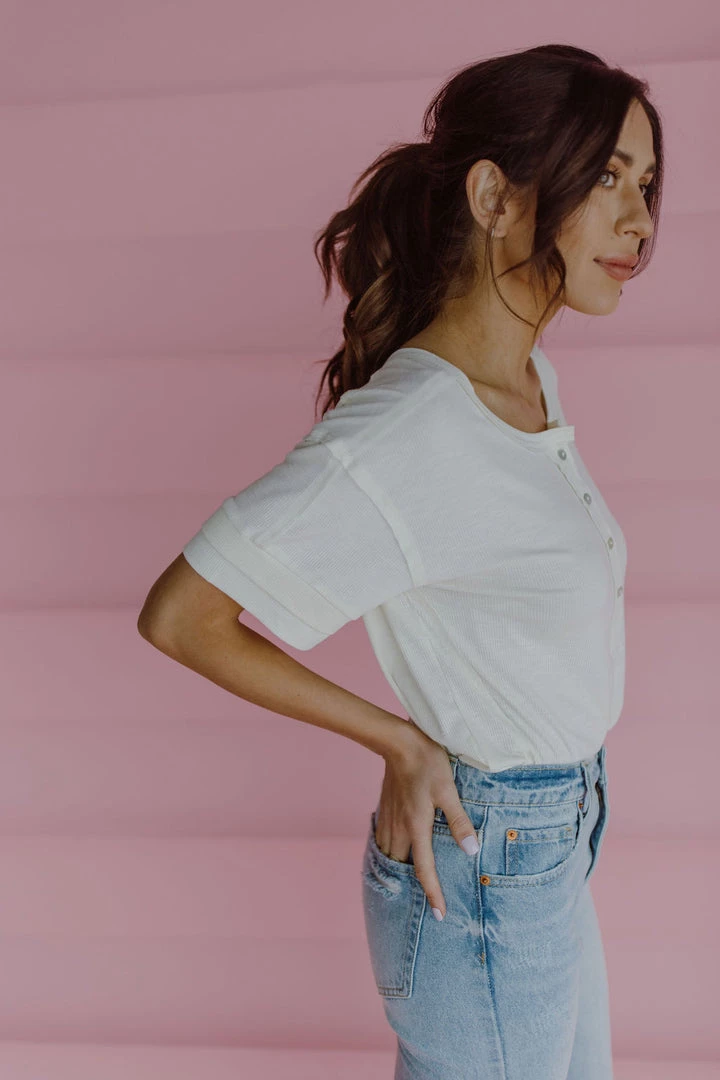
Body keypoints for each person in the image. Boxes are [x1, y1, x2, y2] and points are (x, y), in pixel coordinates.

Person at [137, 43, 663, 1080]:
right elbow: (182, 616)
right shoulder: (411, 429)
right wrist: (397, 741)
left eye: (646, 184)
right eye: (607, 177)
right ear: (495, 197)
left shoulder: (527, 383)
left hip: (552, 839)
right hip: (489, 857)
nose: (641, 220)